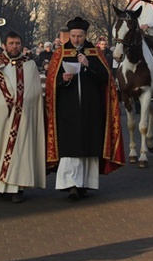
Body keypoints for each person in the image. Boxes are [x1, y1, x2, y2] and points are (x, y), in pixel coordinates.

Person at [45, 16, 124, 200]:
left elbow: (106, 78)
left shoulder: (94, 52)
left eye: (79, 36)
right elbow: (51, 82)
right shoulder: (60, 53)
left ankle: (85, 184)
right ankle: (71, 185)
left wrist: (89, 65)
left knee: (88, 146)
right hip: (68, 110)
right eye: (73, 36)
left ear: (85, 35)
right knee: (71, 147)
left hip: (91, 108)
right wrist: (61, 80)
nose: (76, 40)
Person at [0, 31, 46, 203]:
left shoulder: (30, 65)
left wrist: (23, 103)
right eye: (12, 43)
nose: (15, 46)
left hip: (24, 118)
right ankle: (1, 185)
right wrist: (5, 104)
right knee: (1, 150)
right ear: (4, 45)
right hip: (2, 119)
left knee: (20, 152)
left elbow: (36, 91)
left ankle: (18, 188)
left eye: (17, 43)